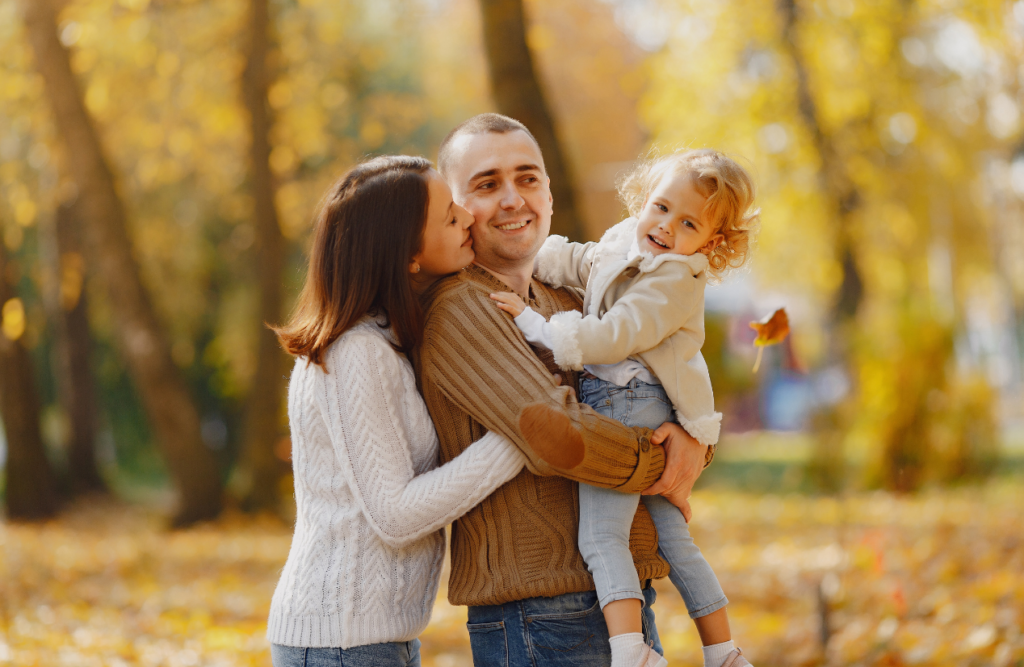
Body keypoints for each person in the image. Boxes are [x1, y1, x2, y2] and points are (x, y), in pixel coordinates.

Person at [416, 114, 713, 667]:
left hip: (616, 602)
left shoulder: (569, 301)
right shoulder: (463, 309)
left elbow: (663, 381)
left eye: (528, 178)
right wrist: (665, 463)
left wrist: (695, 442)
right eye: (487, 185)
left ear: (549, 193)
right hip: (538, 616)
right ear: (456, 211)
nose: (513, 199)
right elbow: (559, 436)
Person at [491, 149, 760, 667]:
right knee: (670, 536)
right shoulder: (627, 241)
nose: (665, 227)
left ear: (712, 242)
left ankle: (630, 651)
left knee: (600, 534)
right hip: (637, 399)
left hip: (628, 399)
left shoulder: (675, 280)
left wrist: (537, 325)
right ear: (644, 199)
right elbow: (585, 260)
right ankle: (724, 653)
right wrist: (532, 258)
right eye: (660, 207)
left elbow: (617, 334)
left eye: (688, 223)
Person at [266, 155, 533, 667]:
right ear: (408, 255)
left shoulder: (379, 341)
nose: (469, 220)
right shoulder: (356, 353)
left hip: (365, 639)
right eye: (451, 218)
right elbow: (395, 514)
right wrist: (520, 436)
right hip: (343, 643)